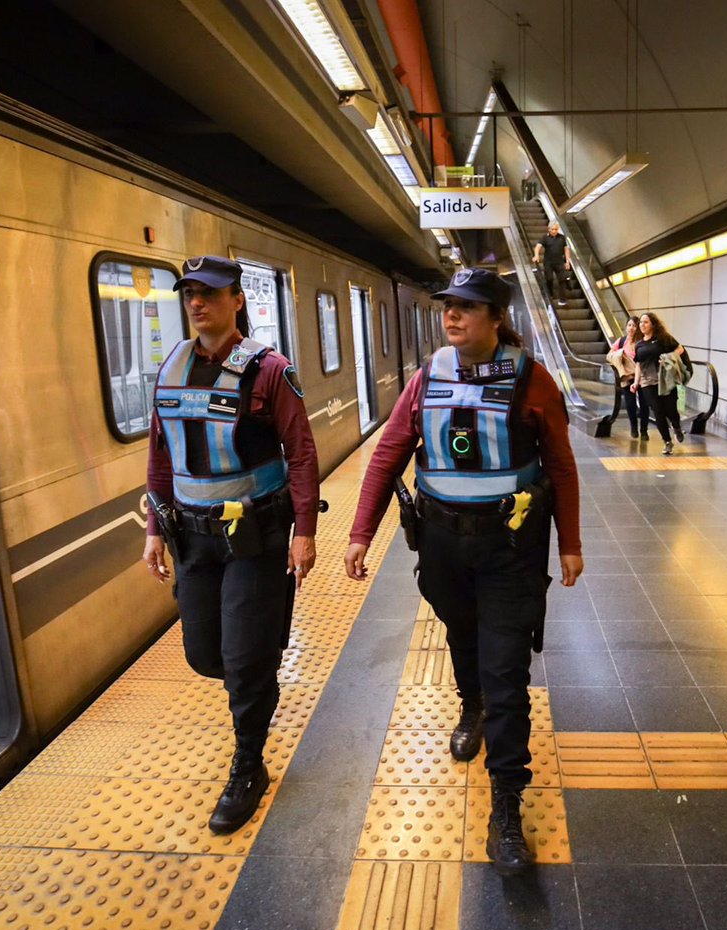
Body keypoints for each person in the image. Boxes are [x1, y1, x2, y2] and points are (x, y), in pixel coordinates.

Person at [343, 268, 583, 877]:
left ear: (496, 318)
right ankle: (469, 704)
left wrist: (571, 544)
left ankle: (506, 805)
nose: (453, 316)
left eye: (467, 308)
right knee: (463, 636)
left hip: (510, 549)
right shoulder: (426, 379)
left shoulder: (532, 381)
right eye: (449, 306)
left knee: (508, 672)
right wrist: (359, 532)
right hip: (445, 546)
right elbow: (389, 453)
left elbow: (561, 465)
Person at [142, 255, 318, 835]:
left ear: (237, 300)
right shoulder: (171, 367)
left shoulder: (269, 370)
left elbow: (302, 450)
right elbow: (160, 455)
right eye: (190, 293)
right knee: (205, 655)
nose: (198, 302)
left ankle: (249, 762)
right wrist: (154, 531)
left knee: (242, 662)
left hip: (254, 536)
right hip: (193, 539)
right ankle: (256, 666)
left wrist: (305, 532)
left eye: (211, 293)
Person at [631, 312, 686, 455]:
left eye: (646, 322)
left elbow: (680, 349)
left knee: (671, 410)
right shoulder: (639, 345)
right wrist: (636, 382)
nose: (642, 325)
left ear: (653, 324)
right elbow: (638, 365)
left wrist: (668, 358)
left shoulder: (663, 339)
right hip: (647, 383)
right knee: (658, 412)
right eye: (641, 323)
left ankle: (676, 426)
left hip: (665, 381)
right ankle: (667, 442)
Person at [607, 317, 642, 438]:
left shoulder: (641, 341)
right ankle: (634, 426)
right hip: (626, 376)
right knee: (630, 402)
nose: (631, 328)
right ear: (626, 327)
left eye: (634, 325)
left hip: (641, 375)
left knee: (644, 402)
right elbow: (610, 354)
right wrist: (619, 354)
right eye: (629, 325)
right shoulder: (621, 341)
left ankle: (644, 429)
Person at [532, 222, 571, 303]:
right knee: (549, 279)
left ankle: (562, 299)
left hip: (559, 262)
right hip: (548, 263)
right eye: (552, 229)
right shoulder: (545, 237)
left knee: (562, 280)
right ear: (549, 229)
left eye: (556, 229)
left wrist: (567, 261)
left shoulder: (562, 237)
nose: (554, 231)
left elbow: (566, 249)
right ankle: (550, 294)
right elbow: (538, 247)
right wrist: (536, 255)